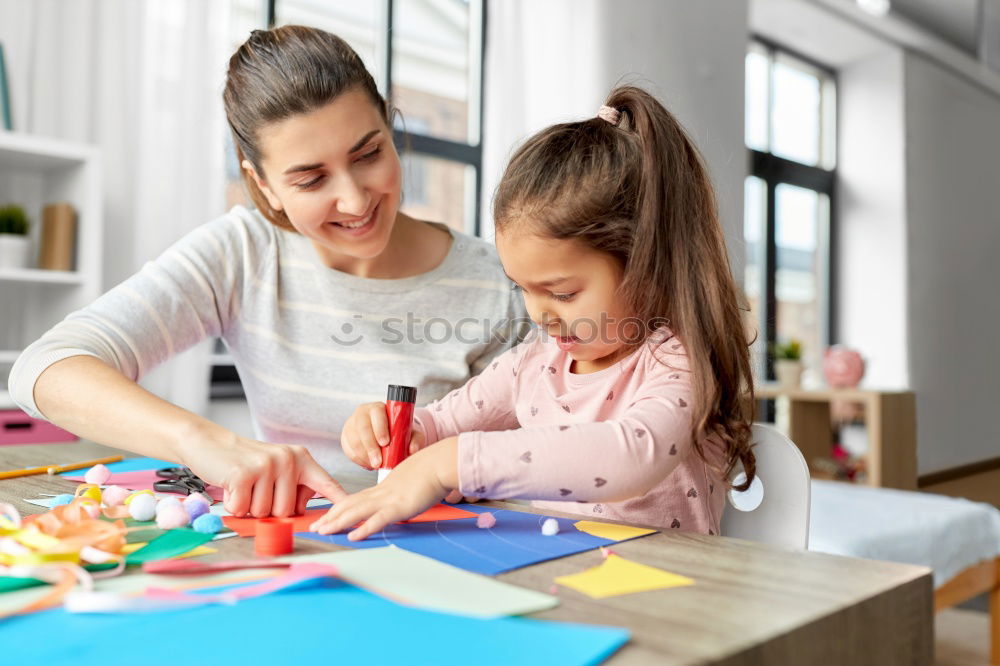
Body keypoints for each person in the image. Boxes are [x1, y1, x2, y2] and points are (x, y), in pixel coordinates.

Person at [8, 26, 524, 518]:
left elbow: (537, 457)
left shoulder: (501, 283)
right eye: (310, 178)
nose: (354, 198)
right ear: (264, 184)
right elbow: (45, 368)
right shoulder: (245, 253)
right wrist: (207, 443)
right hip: (293, 549)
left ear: (390, 130)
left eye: (369, 153)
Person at [312, 86, 757, 540]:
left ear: (649, 264)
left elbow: (632, 454)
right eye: (522, 288)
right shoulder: (533, 363)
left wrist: (451, 463)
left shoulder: (673, 361)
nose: (540, 315)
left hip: (674, 594)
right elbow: (443, 423)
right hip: (561, 577)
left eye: (562, 293)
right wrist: (400, 431)